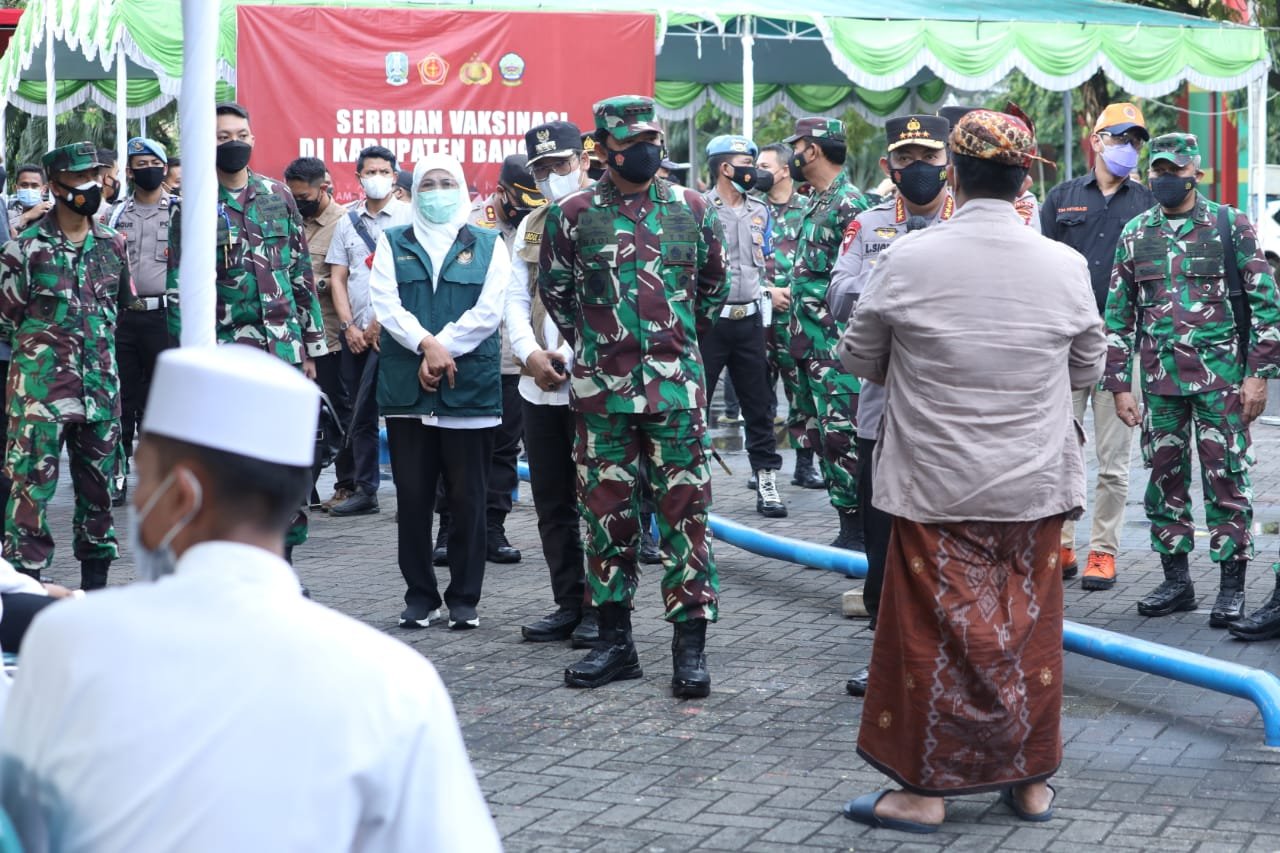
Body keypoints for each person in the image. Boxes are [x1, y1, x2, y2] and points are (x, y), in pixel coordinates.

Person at [0, 344, 501, 851]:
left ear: (181, 496)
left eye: (143, 475)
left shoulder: (69, 645)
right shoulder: (393, 683)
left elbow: (22, 827)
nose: (132, 498)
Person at [838, 108, 1105, 833]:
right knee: (1025, 635)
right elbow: (1088, 364)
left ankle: (925, 792)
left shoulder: (908, 258)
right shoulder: (1065, 264)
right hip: (1034, 485)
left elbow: (858, 357)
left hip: (937, 484)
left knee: (936, 637)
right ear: (1025, 178)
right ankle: (1028, 784)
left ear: (954, 173)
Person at [540, 94, 729, 698]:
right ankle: (616, 644)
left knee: (685, 517)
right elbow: (559, 295)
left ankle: (690, 649)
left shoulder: (694, 209)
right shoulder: (572, 215)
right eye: (631, 144)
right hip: (602, 398)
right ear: (605, 151)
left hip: (675, 394)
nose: (646, 152)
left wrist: (671, 347)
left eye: (652, 140)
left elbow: (711, 289)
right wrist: (601, 352)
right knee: (605, 520)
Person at [1103, 132, 1280, 630]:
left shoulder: (1230, 225)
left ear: (1194, 174)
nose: (1164, 179)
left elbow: (1266, 305)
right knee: (1162, 482)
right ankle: (1176, 582)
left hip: (1220, 385)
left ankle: (1231, 589)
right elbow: (1118, 316)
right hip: (1160, 384)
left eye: (1173, 171)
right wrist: (1119, 385)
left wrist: (1257, 376)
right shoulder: (1137, 232)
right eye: (1157, 170)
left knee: (1227, 480)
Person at [827, 114, 954, 699]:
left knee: (942, 539)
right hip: (881, 408)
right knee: (882, 543)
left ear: (947, 162)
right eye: (906, 159)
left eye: (927, 156)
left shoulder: (970, 221)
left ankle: (943, 654)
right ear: (889, 167)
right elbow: (835, 294)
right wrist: (892, 277)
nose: (917, 169)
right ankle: (883, 651)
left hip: (949, 411)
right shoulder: (868, 224)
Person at [167, 101, 326, 561]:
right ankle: (231, 563)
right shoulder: (194, 206)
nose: (233, 144)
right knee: (230, 465)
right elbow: (180, 289)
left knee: (285, 460)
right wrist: (192, 359)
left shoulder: (279, 197)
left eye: (240, 135)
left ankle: (284, 568)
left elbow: (300, 274)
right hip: (226, 355)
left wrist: (311, 348)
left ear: (253, 139)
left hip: (284, 353)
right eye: (222, 137)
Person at [371, 153, 510, 630]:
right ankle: (420, 596)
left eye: (446, 182)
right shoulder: (393, 241)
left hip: (467, 388)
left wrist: (442, 349)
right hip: (408, 390)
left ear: (463, 187)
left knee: (469, 498)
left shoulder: (490, 243)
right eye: (427, 182)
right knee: (411, 498)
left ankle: (465, 597)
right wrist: (426, 345)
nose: (436, 190)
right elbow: (385, 304)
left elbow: (489, 311)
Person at [0, 142, 131, 590]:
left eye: (93, 175)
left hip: (100, 393)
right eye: (77, 179)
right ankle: (25, 592)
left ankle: (95, 592)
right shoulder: (25, 250)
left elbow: (121, 307)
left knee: (99, 495)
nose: (89, 186)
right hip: (40, 395)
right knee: (30, 495)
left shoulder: (114, 244)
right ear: (55, 187)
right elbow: (4, 321)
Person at [1041, 103, 1155, 589]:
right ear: (1096, 139)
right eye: (1119, 138)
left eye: (1135, 141)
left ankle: (1103, 551)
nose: (1128, 149)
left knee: (1114, 460)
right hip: (1065, 342)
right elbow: (1037, 263)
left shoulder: (1148, 203)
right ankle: (1060, 541)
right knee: (1057, 448)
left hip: (1122, 345)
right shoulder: (1062, 198)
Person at [506, 120, 599, 649]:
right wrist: (531, 353)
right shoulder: (532, 227)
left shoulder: (605, 217)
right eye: (540, 169)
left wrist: (562, 354)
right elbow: (515, 300)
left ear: (582, 161)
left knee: (600, 501)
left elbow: (600, 303)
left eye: (559, 165)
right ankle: (568, 602)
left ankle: (600, 608)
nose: (550, 177)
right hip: (538, 386)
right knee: (552, 503)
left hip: (590, 383)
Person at [439, 153, 543, 566]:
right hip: (468, 355)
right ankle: (449, 529)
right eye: (520, 202)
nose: (525, 211)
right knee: (456, 448)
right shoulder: (467, 227)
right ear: (501, 193)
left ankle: (492, 529)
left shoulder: (539, 225)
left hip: (517, 358)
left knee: (504, 451)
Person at [785, 116, 869, 550]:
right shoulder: (816, 201)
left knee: (843, 435)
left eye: (795, 147)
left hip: (836, 348)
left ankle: (857, 530)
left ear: (812, 150)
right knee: (820, 433)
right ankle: (847, 525)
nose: (791, 156)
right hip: (809, 342)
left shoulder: (850, 204)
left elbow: (859, 280)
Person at [702, 134, 786, 517]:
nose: (753, 170)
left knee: (760, 404)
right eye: (745, 163)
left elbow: (761, 263)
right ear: (724, 167)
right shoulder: (698, 208)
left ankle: (767, 480)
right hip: (709, 324)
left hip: (750, 320)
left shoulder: (760, 211)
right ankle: (688, 484)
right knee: (692, 405)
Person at [326, 145, 409, 518]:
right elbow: (338, 278)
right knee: (359, 413)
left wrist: (380, 323)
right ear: (358, 177)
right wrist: (349, 327)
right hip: (356, 335)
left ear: (395, 175)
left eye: (384, 171)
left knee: (403, 412)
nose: (377, 177)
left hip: (399, 333)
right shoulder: (347, 221)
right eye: (369, 172)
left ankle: (413, 487)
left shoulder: (409, 218)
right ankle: (364, 488)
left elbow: (411, 278)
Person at [285, 156, 359, 514]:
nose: (299, 202)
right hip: (292, 336)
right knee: (299, 413)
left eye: (304, 196)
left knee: (337, 410)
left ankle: (348, 484)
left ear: (323, 189)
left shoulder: (344, 223)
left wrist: (315, 283)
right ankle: (306, 486)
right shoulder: (286, 218)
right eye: (294, 195)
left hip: (330, 334)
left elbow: (350, 277)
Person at [108, 137, 178, 509]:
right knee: (123, 402)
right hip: (123, 318)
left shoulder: (181, 211)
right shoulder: (114, 215)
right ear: (130, 170)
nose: (147, 167)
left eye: (154, 161)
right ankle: (117, 477)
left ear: (164, 167)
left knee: (163, 401)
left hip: (165, 317)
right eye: (139, 162)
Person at [757, 142, 822, 490]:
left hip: (797, 319)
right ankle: (764, 468)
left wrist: (794, 294)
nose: (757, 171)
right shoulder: (751, 211)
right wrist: (767, 290)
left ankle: (805, 465)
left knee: (802, 396)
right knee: (759, 398)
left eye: (764, 165)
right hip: (758, 320)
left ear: (784, 170)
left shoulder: (809, 210)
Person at [7, 164, 52, 238]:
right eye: (24, 185)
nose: (29, 189)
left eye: (34, 186)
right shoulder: (7, 213)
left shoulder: (50, 213)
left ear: (44, 189)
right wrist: (27, 216)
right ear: (15, 188)